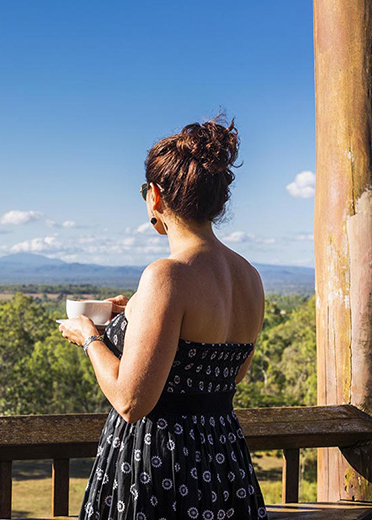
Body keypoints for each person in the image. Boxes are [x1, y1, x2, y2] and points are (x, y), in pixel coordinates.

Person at [59, 114, 269, 519]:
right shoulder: (250, 278)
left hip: (161, 465)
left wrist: (89, 336)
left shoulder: (167, 275)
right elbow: (229, 374)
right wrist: (136, 313)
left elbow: (130, 401)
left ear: (155, 195)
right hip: (224, 461)